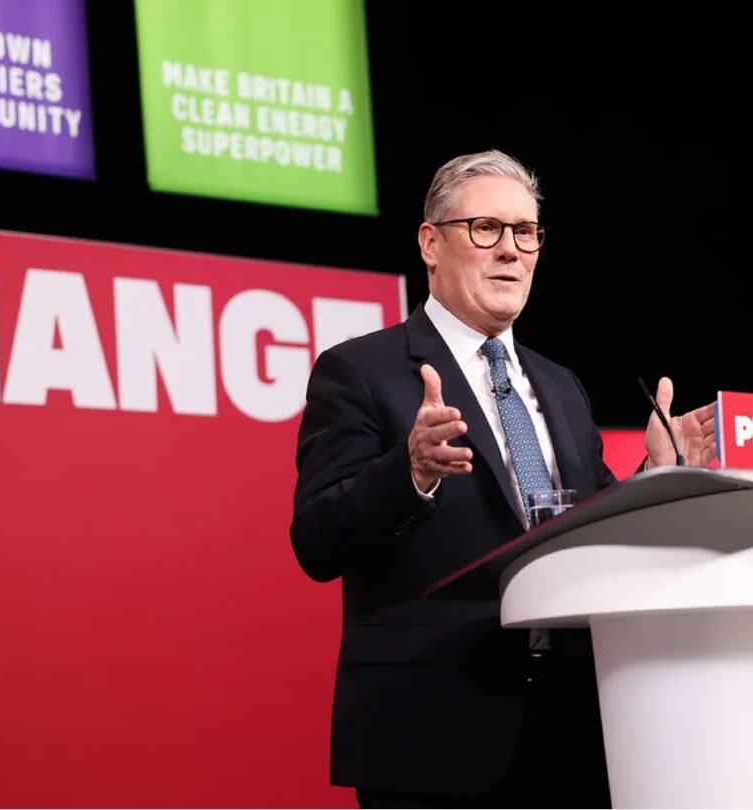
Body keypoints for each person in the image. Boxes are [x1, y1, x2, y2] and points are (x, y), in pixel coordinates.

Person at [289, 149, 716, 808]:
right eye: (485, 228)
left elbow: (586, 529)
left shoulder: (561, 386)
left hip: (572, 728)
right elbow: (317, 540)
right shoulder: (360, 371)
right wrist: (410, 473)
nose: (511, 249)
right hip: (432, 734)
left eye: (525, 232)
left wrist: (655, 471)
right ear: (431, 243)